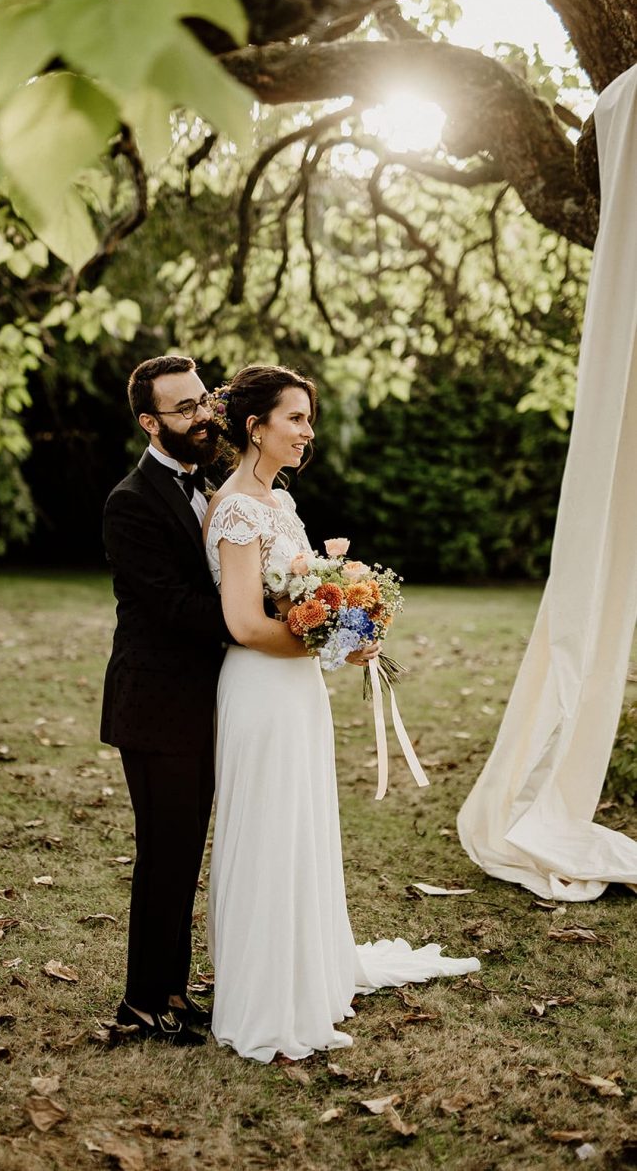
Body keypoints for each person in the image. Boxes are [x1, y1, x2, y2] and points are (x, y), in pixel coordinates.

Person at [204, 365, 481, 1062]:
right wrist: (322, 639)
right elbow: (242, 621)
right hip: (261, 690)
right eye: (294, 418)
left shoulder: (281, 503)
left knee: (299, 826)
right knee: (269, 829)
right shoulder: (236, 507)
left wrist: (349, 633)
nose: (307, 432)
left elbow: (300, 599)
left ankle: (305, 969)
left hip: (296, 690)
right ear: (255, 426)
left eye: (308, 419)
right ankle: (267, 996)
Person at [101, 355, 229, 1046]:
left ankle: (174, 989)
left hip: (201, 703)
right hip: (155, 708)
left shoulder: (207, 481)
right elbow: (176, 607)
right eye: (184, 409)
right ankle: (143, 1002)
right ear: (150, 422)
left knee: (184, 852)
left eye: (203, 400)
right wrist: (262, 615)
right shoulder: (131, 501)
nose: (202, 415)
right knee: (165, 853)